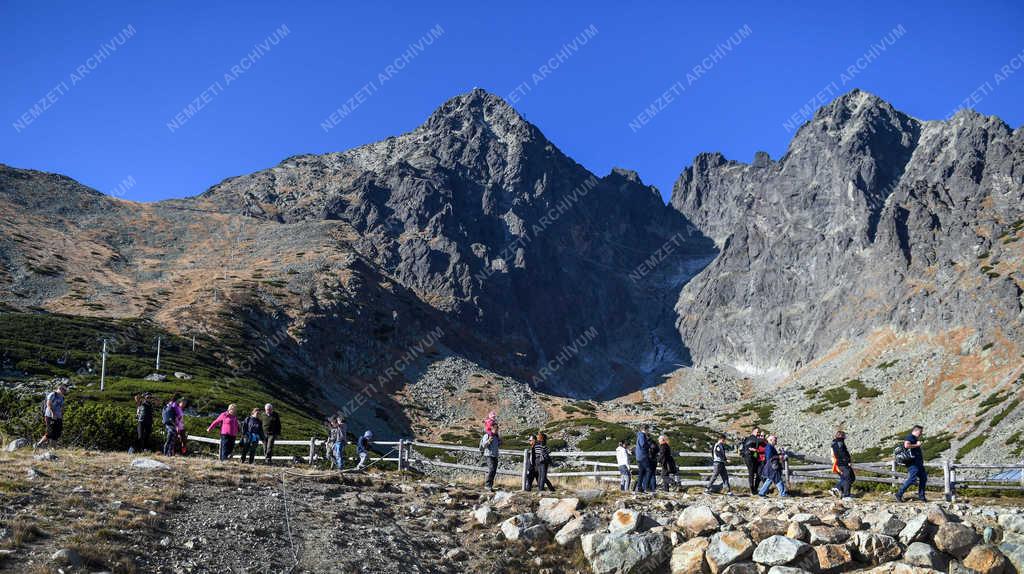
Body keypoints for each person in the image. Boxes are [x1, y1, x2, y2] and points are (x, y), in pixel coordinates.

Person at [896, 425, 927, 502]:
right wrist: (917, 445)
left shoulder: (915, 438)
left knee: (923, 478)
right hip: (913, 463)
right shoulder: (910, 436)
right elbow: (906, 445)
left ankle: (921, 497)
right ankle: (899, 494)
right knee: (912, 479)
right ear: (916, 431)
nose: (921, 433)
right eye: (920, 432)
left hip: (918, 463)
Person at [36, 383, 68, 449]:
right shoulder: (53, 394)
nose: (65, 391)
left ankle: (53, 448)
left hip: (58, 417)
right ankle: (38, 444)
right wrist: (53, 413)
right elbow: (49, 404)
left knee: (57, 432)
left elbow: (61, 407)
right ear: (60, 388)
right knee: (50, 432)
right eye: (64, 390)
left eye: (65, 390)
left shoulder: (62, 397)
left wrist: (61, 415)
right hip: (50, 416)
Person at [830, 430, 855, 499]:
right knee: (848, 478)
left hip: (840, 463)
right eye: (844, 435)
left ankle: (838, 489)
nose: (845, 436)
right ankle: (846, 495)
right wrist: (847, 461)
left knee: (851, 478)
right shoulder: (839, 442)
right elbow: (841, 453)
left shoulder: (835, 442)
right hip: (843, 464)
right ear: (841, 436)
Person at [741, 427, 762, 493]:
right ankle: (753, 489)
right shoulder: (751, 438)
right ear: (753, 432)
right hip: (749, 458)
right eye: (757, 432)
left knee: (758, 473)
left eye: (759, 432)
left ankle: (754, 488)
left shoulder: (753, 438)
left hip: (753, 458)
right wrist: (764, 439)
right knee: (752, 472)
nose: (758, 433)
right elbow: (755, 441)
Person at [483, 426, 502, 491]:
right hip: (489, 455)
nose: (497, 431)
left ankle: (490, 486)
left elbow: (498, 445)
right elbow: (484, 445)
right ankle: (487, 485)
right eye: (496, 429)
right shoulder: (487, 435)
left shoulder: (496, 436)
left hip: (495, 455)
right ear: (492, 429)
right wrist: (488, 441)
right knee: (491, 469)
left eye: (497, 430)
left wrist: (500, 441)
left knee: (494, 471)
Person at [634, 426, 652, 493]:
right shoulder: (642, 435)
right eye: (648, 430)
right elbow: (643, 444)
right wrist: (648, 445)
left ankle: (639, 487)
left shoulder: (639, 435)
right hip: (643, 456)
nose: (648, 431)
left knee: (641, 472)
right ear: (645, 429)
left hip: (639, 457)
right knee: (649, 470)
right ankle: (646, 487)